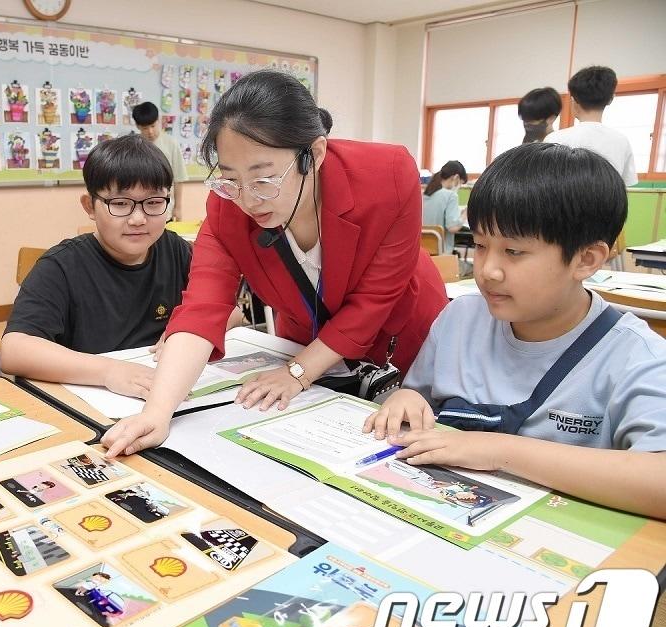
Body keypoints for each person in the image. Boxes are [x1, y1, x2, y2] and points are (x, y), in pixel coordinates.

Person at [103, 70, 448, 458]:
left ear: (314, 154)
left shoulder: (386, 174)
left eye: (264, 180)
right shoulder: (227, 206)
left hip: (398, 341)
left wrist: (297, 373)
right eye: (230, 178)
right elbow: (203, 305)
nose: (249, 201)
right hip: (308, 345)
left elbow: (374, 300)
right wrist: (158, 412)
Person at [363, 143, 666, 519]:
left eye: (514, 252)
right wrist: (404, 400)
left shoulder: (636, 356)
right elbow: (416, 397)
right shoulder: (460, 318)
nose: (488, 270)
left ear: (586, 260)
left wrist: (497, 450)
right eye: (480, 245)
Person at [1, 135, 239, 398]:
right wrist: (109, 371)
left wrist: (184, 331)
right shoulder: (61, 266)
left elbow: (234, 314)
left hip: (162, 392)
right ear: (89, 206)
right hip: (93, 395)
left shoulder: (176, 250)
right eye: (121, 204)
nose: (138, 219)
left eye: (153, 203)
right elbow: (14, 350)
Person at [545, 66, 638, 185]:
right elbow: (626, 186)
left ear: (574, 100)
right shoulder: (621, 141)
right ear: (611, 99)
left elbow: (545, 184)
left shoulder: (554, 139)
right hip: (607, 203)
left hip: (562, 203)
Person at [132, 101, 187, 220]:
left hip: (166, 210)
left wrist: (178, 207)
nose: (150, 131)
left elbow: (179, 178)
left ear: (159, 121)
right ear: (138, 126)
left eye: (153, 126)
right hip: (139, 212)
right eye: (145, 128)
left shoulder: (171, 143)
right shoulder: (134, 146)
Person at [421, 160, 467, 254]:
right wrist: (466, 213)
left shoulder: (424, 195)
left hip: (422, 253)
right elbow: (453, 227)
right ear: (456, 177)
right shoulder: (451, 196)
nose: (459, 187)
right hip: (442, 254)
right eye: (460, 184)